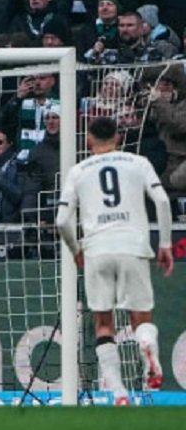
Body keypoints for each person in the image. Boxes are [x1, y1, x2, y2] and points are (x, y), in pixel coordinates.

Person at [55, 116, 174, 405]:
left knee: (103, 323)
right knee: (141, 317)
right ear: (118, 138)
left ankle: (119, 393)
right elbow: (162, 201)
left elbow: (61, 221)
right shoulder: (138, 162)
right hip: (133, 245)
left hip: (97, 249)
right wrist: (166, 244)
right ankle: (147, 346)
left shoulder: (79, 170)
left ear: (88, 140)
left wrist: (76, 249)